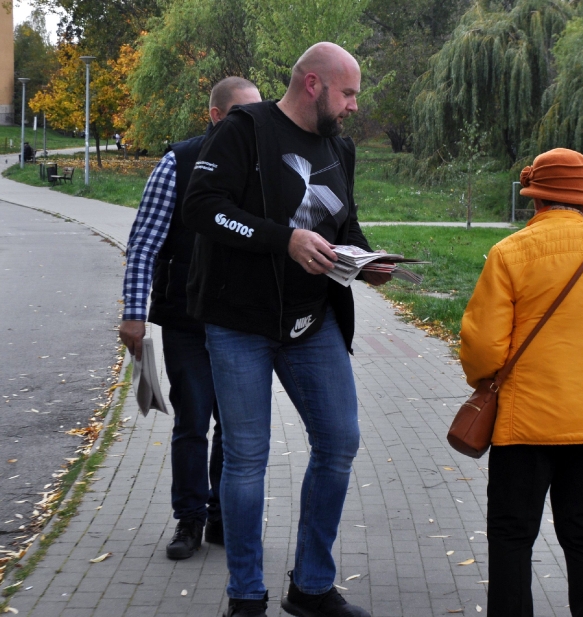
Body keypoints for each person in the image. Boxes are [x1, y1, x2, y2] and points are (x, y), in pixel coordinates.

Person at [182, 42, 389, 617]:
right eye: (348, 94)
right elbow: (202, 207)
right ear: (313, 84)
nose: (353, 106)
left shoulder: (339, 148)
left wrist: (367, 260)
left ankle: (312, 587)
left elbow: (343, 222)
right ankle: (246, 596)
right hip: (239, 323)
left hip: (312, 321)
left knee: (339, 442)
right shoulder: (244, 130)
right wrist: (284, 240)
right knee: (247, 457)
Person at [459, 148, 583, 617]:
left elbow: (484, 348)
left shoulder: (508, 254)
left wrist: (484, 381)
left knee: (512, 536)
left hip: (524, 427)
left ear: (535, 198)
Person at [120, 77, 262, 561]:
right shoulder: (177, 163)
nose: (253, 124)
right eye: (243, 114)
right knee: (193, 421)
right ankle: (190, 518)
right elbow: (144, 244)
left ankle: (223, 517)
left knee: (236, 426)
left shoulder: (261, 164)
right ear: (217, 115)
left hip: (242, 321)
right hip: (187, 318)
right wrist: (133, 315)